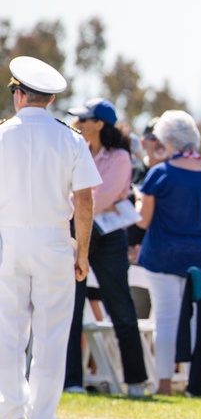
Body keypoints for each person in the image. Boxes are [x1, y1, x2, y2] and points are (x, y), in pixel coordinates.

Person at [0, 57, 102, 419]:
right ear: (52, 98)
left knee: (8, 335)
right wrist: (83, 254)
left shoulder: (2, 135)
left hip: (8, 240)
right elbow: (85, 201)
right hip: (54, 239)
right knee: (51, 335)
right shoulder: (70, 138)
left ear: (19, 95)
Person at [136, 110, 201, 396]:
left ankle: (163, 384)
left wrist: (137, 199)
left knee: (165, 319)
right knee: (195, 321)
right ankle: (193, 382)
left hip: (163, 255)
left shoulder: (160, 173)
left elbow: (143, 220)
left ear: (168, 140)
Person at [64, 98, 149, 397]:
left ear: (99, 124)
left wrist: (76, 204)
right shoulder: (78, 150)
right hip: (81, 230)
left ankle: (136, 382)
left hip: (109, 237)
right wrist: (80, 204)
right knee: (71, 308)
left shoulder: (120, 157)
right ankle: (71, 381)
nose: (77, 124)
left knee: (120, 306)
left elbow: (102, 197)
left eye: (84, 119)